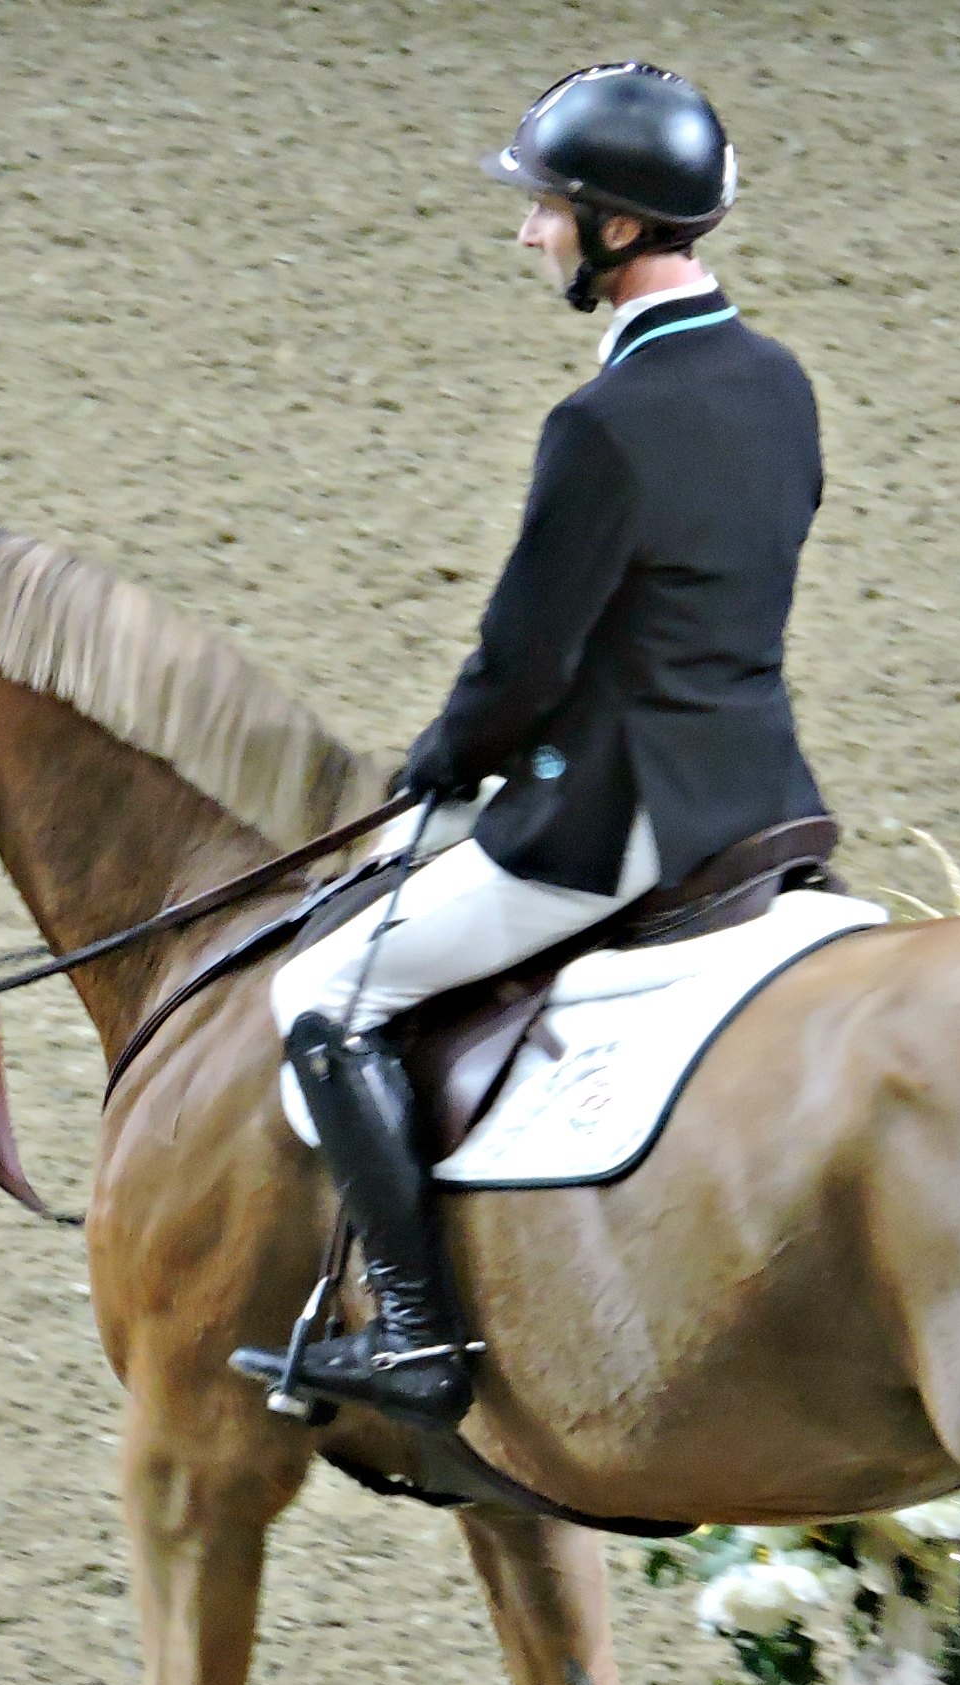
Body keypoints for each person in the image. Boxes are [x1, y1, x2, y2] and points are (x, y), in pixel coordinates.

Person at [233, 61, 832, 1430]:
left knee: (323, 997)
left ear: (618, 231)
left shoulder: (603, 424)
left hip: (623, 811)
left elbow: (529, 655)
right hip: (762, 788)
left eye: (549, 210)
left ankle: (421, 1341)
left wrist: (452, 750)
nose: (529, 233)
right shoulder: (783, 382)